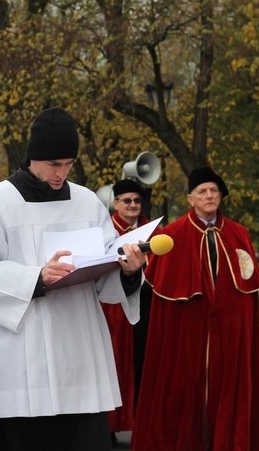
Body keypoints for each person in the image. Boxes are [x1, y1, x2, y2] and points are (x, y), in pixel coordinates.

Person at [0, 107, 146, 451]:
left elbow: (104, 279)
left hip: (81, 355)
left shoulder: (86, 203)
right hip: (24, 358)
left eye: (68, 164)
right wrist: (35, 278)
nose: (61, 173)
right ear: (33, 158)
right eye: (54, 164)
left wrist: (128, 271)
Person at [132, 166, 259, 450]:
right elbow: (160, 296)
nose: (209, 196)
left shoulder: (239, 234)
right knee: (184, 395)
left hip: (229, 337)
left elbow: (246, 290)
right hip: (187, 338)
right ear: (191, 198)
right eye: (202, 191)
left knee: (229, 391)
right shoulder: (172, 235)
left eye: (214, 191)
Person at [102, 179, 155, 442]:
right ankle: (108, 427)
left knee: (143, 366)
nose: (133, 205)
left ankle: (141, 428)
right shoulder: (105, 230)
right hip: (112, 310)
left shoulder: (152, 230)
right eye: (127, 200)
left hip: (147, 306)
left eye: (136, 200)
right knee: (113, 366)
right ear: (115, 203)